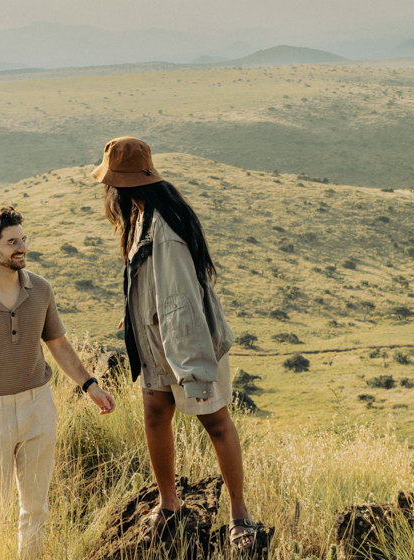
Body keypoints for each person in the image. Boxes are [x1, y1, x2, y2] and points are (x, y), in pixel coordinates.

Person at [91, 137, 259, 551]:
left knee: (216, 422)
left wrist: (193, 369)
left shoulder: (164, 229)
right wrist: (135, 313)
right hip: (158, 341)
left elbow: (180, 302)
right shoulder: (144, 216)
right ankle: (169, 503)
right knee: (154, 415)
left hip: (187, 345)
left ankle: (240, 514)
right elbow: (156, 287)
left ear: (124, 185)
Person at [0, 206, 116, 559]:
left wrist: (90, 385)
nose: (21, 247)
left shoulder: (41, 290)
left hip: (39, 405)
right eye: (12, 242)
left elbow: (59, 345)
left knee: (36, 508)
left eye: (23, 239)